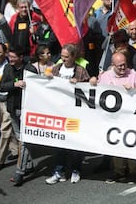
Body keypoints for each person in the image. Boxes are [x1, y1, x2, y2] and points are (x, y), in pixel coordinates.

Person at [90, 51, 136, 183]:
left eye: (124, 65)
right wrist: (92, 81)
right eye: (119, 65)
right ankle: (119, 172)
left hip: (130, 119)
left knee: (130, 144)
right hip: (113, 118)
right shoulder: (105, 76)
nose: (122, 68)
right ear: (112, 65)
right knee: (115, 145)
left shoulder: (134, 75)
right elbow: (96, 91)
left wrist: (134, 89)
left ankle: (133, 173)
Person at [46, 43, 90, 185]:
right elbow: (45, 83)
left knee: (75, 144)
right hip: (58, 112)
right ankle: (59, 171)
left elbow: (89, 89)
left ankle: (76, 170)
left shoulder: (81, 71)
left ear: (73, 57)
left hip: (75, 114)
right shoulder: (56, 69)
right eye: (62, 56)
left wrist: (79, 83)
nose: (63, 59)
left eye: (66, 57)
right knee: (59, 143)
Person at [0, 46, 37, 186]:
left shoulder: (30, 70)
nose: (11, 59)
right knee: (21, 138)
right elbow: (1, 86)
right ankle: (30, 165)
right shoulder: (8, 68)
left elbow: (38, 90)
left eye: (13, 57)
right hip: (12, 109)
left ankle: (20, 172)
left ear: (21, 57)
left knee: (23, 140)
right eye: (10, 57)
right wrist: (15, 84)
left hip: (25, 109)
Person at [0, 43, 18, 171]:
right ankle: (15, 151)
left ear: (5, 53)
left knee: (4, 130)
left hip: (8, 101)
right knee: (7, 127)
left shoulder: (9, 67)